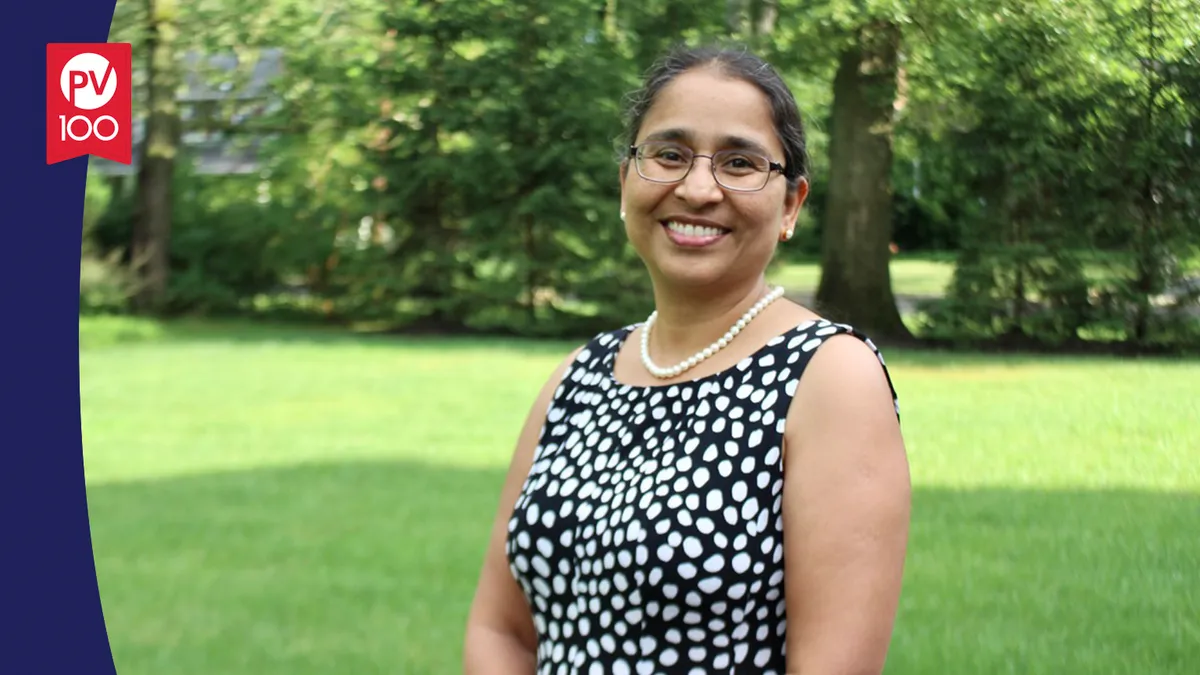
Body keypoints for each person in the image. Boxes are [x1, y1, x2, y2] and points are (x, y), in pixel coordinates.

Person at [463, 43, 910, 675]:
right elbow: (500, 630)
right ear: (626, 182)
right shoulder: (578, 377)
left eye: (739, 162)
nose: (698, 189)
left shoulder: (829, 379)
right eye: (669, 155)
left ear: (790, 205)